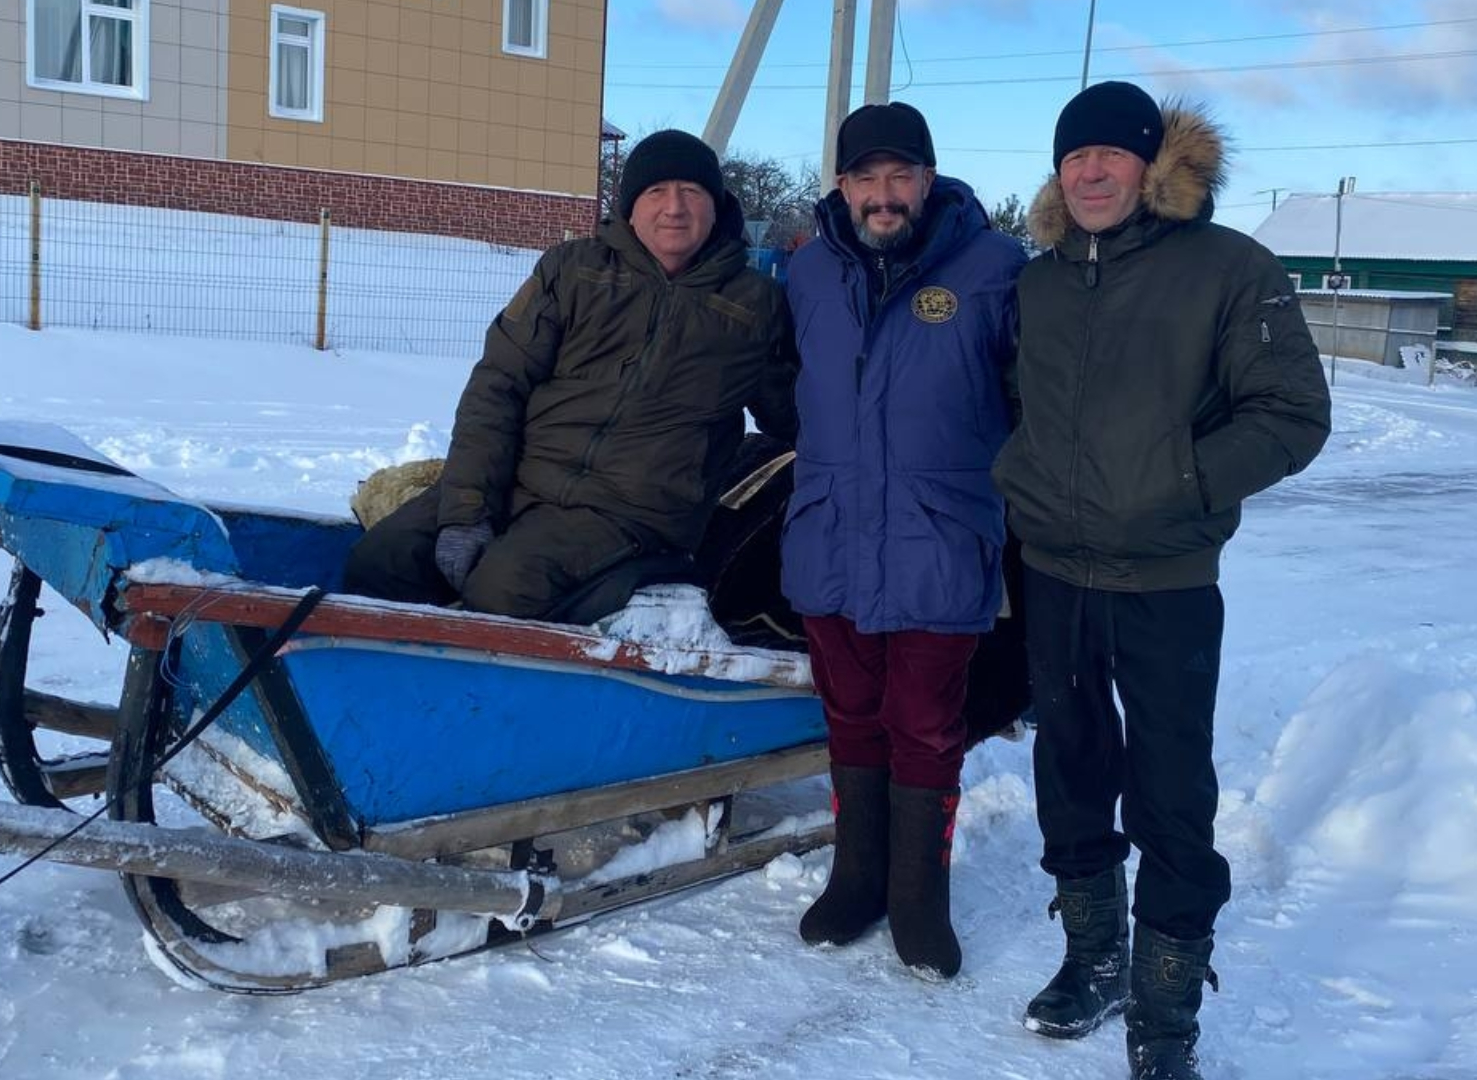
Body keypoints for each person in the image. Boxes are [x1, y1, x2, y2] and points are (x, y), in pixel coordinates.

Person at [995, 82, 1331, 1077]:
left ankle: (1164, 1016)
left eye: (1110, 153)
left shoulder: (1228, 268)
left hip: (1167, 580)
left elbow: (1291, 414)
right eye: (1074, 157)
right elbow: (1012, 401)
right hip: (1054, 572)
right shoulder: (1039, 284)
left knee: (1172, 796)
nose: (1090, 171)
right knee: (1068, 771)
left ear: (1153, 164)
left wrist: (1179, 485)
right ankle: (1094, 960)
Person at [344, 130, 798, 622]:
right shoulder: (573, 271)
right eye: (656, 191)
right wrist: (467, 510)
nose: (674, 208)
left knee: (504, 591)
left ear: (716, 206)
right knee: (384, 561)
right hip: (521, 479)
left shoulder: (756, 306)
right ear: (630, 207)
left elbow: (795, 413)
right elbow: (497, 387)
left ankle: (638, 598)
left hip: (631, 513)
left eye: (692, 191)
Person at [780, 101, 1026, 979]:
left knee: (924, 724)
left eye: (900, 175)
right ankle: (857, 879)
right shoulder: (807, 272)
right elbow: (782, 387)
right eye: (866, 177)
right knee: (850, 715)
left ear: (928, 178)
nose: (883, 195)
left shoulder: (995, 268)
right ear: (842, 184)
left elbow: (1031, 399)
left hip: (939, 540)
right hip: (832, 535)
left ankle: (920, 896)